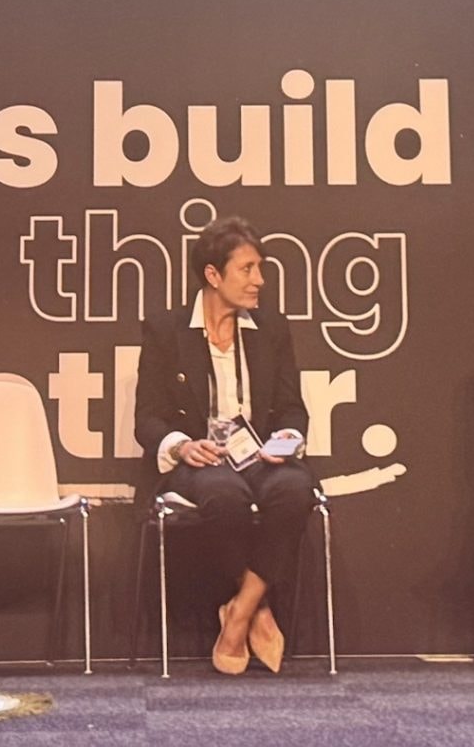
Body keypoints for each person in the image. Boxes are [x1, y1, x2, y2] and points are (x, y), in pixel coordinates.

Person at [134, 215, 317, 675]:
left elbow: (292, 408)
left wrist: (287, 439)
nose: (260, 280)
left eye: (260, 268)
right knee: (224, 495)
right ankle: (258, 608)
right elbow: (148, 418)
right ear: (213, 275)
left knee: (295, 490)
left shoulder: (271, 328)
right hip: (202, 459)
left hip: (259, 455)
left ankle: (239, 611)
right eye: (248, 269)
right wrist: (181, 446)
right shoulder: (165, 329)